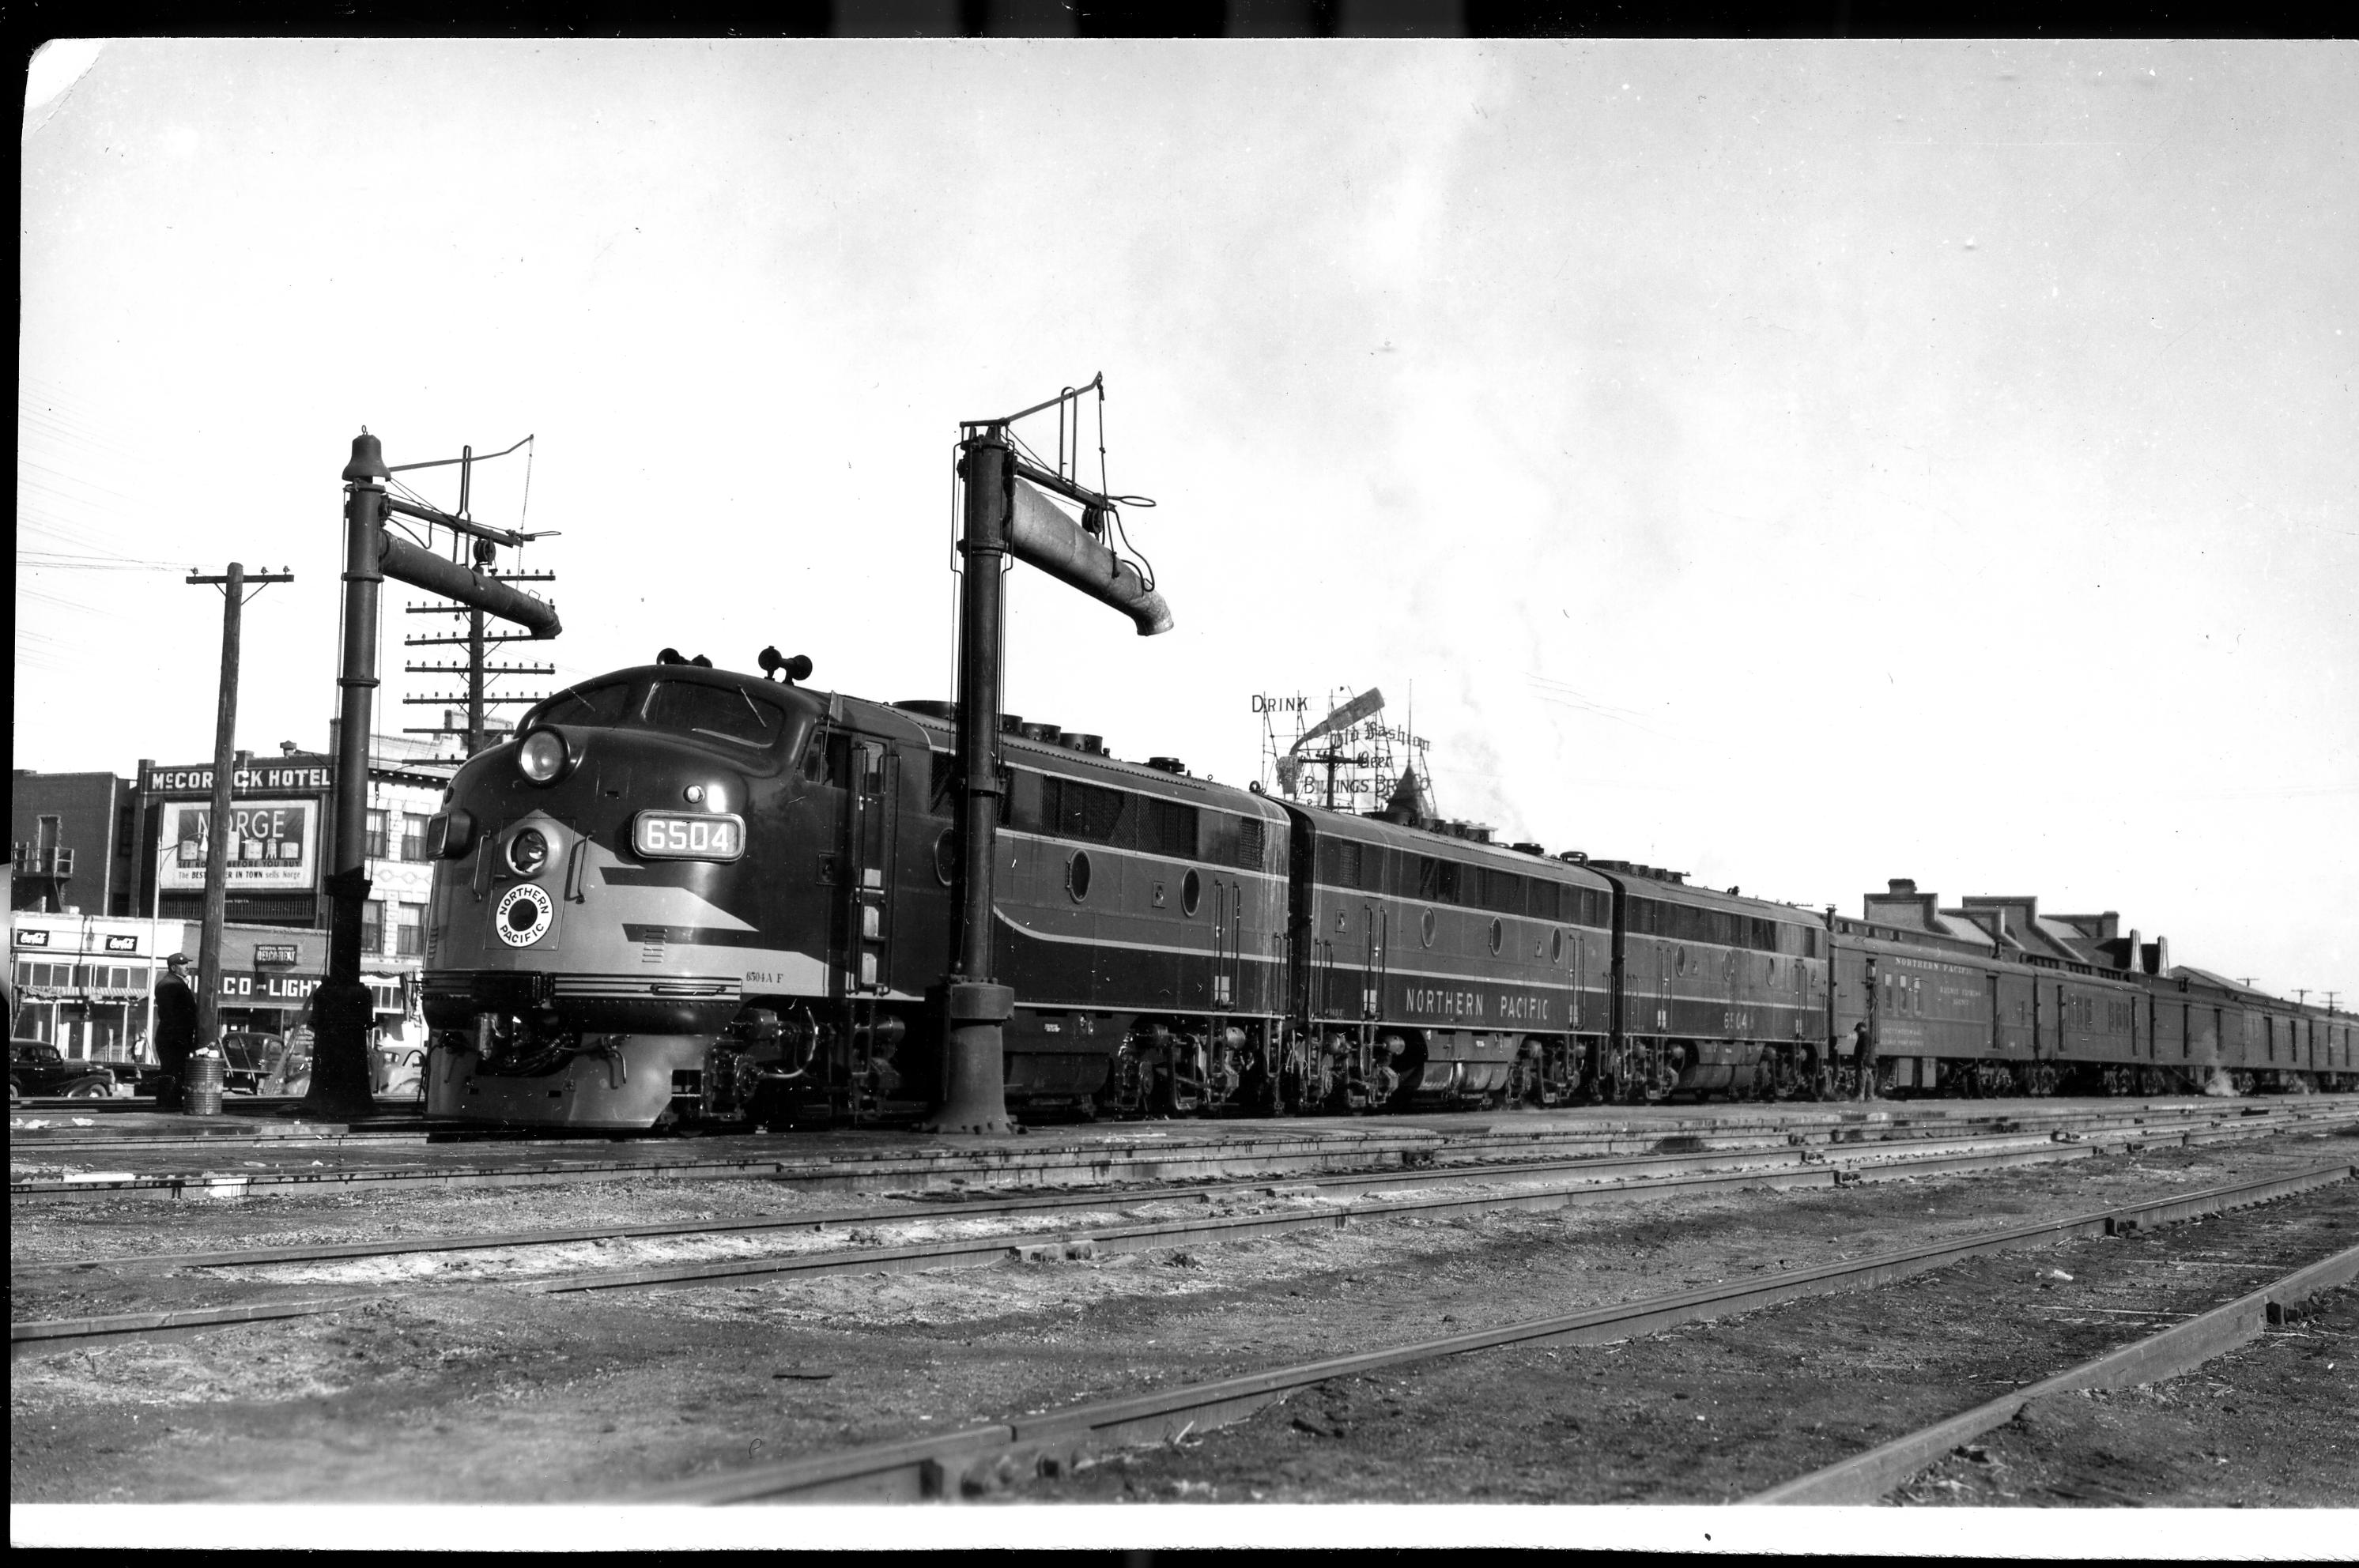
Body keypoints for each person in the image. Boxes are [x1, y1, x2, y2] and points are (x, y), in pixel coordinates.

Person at [154, 954, 199, 1110]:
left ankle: (167, 1105)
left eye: (187, 963)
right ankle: (169, 1106)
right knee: (174, 1071)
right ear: (173, 968)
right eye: (183, 964)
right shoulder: (173, 985)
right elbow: (179, 1012)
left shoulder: (171, 983)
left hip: (170, 1035)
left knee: (170, 1071)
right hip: (175, 1036)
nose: (187, 966)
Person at [1852, 1018, 1877, 1102]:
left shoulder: (1865, 1036)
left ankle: (1861, 1096)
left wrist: (1862, 1060)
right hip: (1869, 1060)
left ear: (1861, 1029)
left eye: (1857, 1030)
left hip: (1865, 1060)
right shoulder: (1867, 1035)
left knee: (1862, 1078)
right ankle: (1870, 1096)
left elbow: (1865, 1049)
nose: (1857, 1032)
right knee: (1869, 1078)